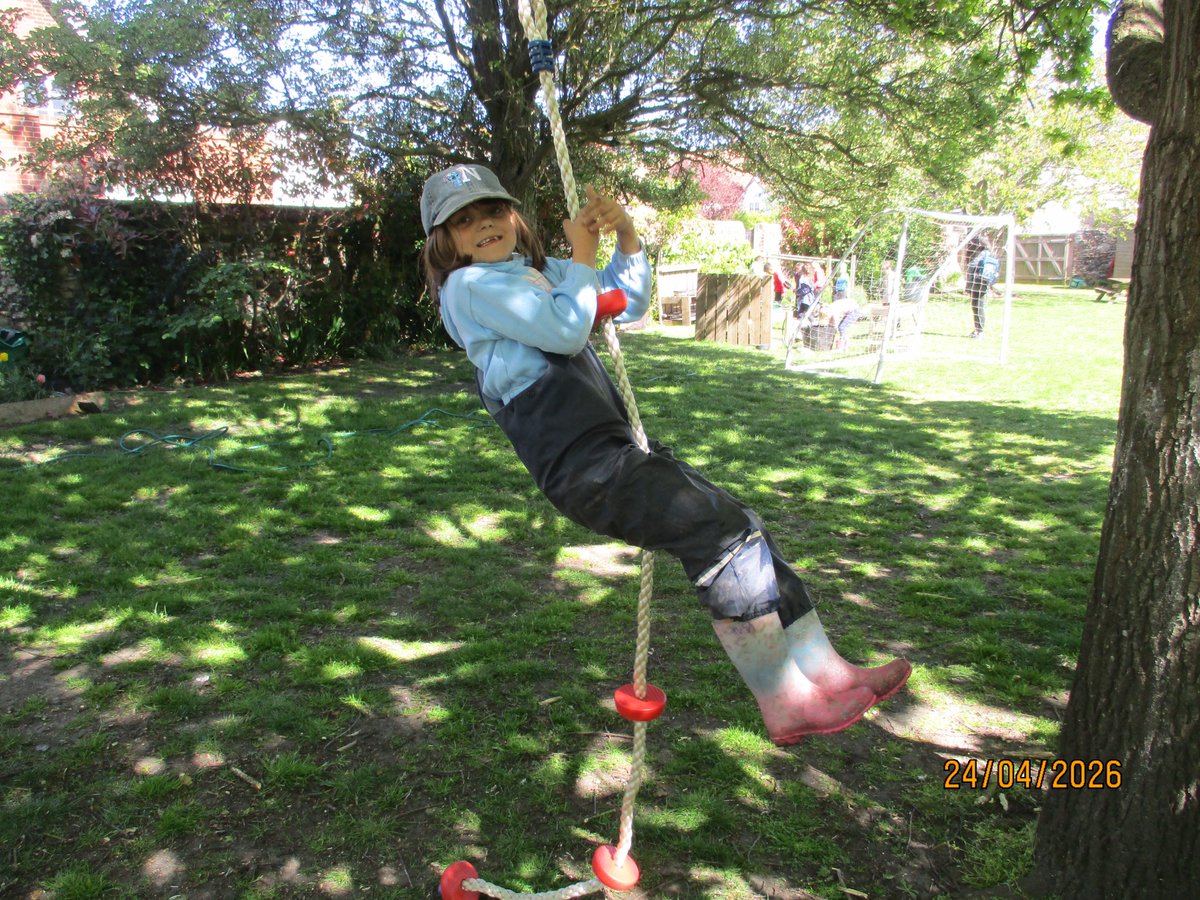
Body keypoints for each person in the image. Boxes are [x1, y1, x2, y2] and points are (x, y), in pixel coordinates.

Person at [420, 164, 910, 745]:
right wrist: (581, 253)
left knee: (741, 523)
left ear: (513, 215)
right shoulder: (469, 289)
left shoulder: (537, 271)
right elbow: (565, 331)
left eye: (493, 211)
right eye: (464, 221)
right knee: (717, 532)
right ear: (444, 242)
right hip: (584, 467)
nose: (484, 226)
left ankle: (829, 674)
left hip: (613, 447)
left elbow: (626, 303)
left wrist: (625, 239)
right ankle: (786, 700)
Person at [964, 237, 1001, 338]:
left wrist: (968, 286)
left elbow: (971, 269)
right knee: (978, 306)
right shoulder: (990, 254)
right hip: (985, 283)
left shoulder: (977, 255)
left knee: (977, 306)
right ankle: (978, 330)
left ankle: (979, 331)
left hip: (977, 283)